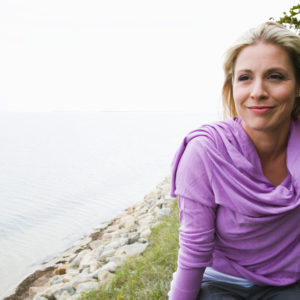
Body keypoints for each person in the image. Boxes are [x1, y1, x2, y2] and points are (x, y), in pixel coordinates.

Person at [168, 21, 300, 300]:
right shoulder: (206, 151)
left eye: (275, 76)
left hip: (291, 283)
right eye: (245, 78)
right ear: (232, 87)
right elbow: (194, 250)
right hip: (222, 283)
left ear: (298, 86)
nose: (258, 91)